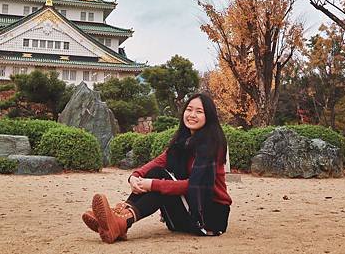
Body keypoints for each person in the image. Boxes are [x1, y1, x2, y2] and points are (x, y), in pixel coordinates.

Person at [82, 92, 232, 243]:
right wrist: (135, 176)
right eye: (189, 109)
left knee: (161, 181)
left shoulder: (212, 145)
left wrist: (152, 184)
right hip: (185, 213)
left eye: (199, 112)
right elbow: (159, 161)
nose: (192, 115)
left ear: (209, 117)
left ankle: (121, 221)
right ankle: (119, 218)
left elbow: (195, 186)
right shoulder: (184, 141)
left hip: (209, 218)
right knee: (156, 173)